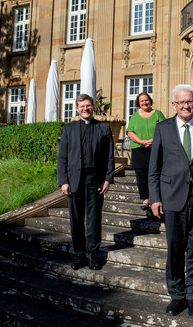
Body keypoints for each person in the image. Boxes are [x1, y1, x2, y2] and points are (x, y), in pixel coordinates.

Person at [148, 84, 193, 318]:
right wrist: (155, 198)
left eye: (189, 101)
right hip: (171, 198)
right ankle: (176, 295)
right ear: (174, 105)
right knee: (175, 249)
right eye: (181, 102)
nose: (185, 106)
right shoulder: (163, 128)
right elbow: (154, 168)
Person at [57, 93, 115, 271]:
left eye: (88, 105)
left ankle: (93, 254)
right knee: (76, 219)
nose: (85, 109)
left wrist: (107, 179)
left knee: (94, 218)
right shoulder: (69, 129)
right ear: (77, 108)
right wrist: (63, 181)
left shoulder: (104, 128)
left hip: (95, 180)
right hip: (75, 180)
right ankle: (79, 254)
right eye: (82, 106)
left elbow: (110, 156)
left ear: (93, 107)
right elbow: (62, 157)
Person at [126, 92, 166, 217]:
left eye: (146, 100)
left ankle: (158, 198)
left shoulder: (158, 114)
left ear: (150, 101)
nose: (144, 103)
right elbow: (130, 132)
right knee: (141, 176)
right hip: (139, 149)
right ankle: (145, 199)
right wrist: (142, 142)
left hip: (156, 148)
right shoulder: (135, 117)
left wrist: (153, 141)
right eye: (142, 101)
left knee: (157, 174)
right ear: (138, 103)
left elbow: (165, 129)